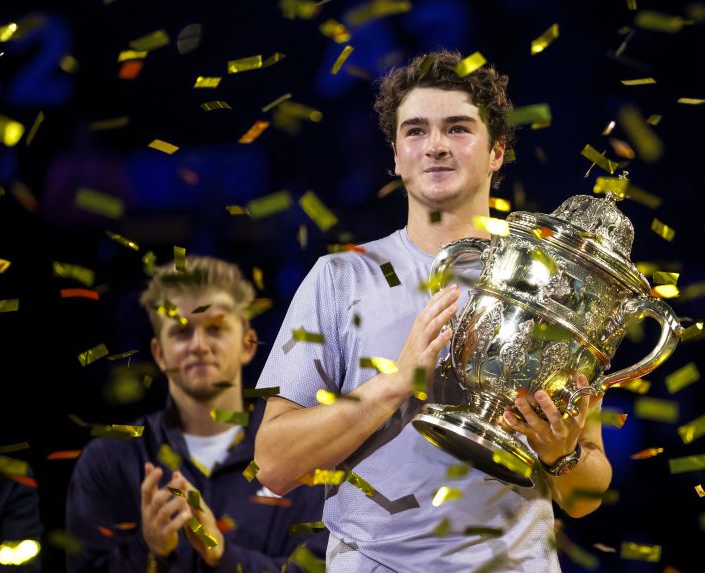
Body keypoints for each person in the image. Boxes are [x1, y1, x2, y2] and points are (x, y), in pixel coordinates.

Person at [254, 50, 612, 572]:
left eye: (459, 129)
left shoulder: (556, 285)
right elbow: (273, 464)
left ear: (497, 152)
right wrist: (394, 384)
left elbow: (585, 496)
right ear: (396, 156)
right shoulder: (340, 278)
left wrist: (561, 455)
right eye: (416, 131)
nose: (437, 146)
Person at [66, 256, 326, 572]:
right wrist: (151, 550)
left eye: (215, 328)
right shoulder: (109, 460)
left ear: (248, 343)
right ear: (159, 354)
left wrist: (223, 556)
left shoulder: (304, 456)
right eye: (181, 332)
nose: (199, 345)